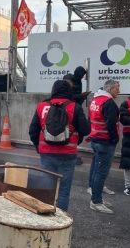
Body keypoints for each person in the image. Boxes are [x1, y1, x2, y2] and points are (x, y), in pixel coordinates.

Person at [28, 80, 90, 211]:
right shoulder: (75, 107)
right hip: (67, 154)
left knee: (46, 186)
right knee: (63, 189)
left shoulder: (42, 106)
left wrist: (38, 148)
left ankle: (45, 217)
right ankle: (60, 219)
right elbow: (85, 130)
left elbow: (32, 130)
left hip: (46, 153)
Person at [88, 79, 120, 214]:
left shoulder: (95, 100)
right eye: (117, 88)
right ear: (110, 89)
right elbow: (111, 124)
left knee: (96, 170)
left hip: (95, 138)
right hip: (105, 141)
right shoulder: (109, 103)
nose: (119, 91)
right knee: (101, 173)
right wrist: (114, 139)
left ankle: (96, 197)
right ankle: (96, 201)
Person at [63, 66, 90, 166]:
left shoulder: (78, 81)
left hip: (77, 107)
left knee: (79, 133)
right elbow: (67, 95)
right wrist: (81, 96)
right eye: (82, 75)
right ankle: (68, 153)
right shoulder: (68, 79)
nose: (82, 77)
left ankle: (72, 152)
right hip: (69, 108)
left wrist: (82, 97)